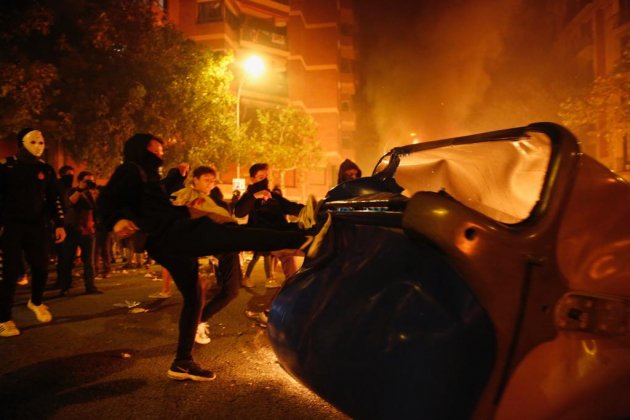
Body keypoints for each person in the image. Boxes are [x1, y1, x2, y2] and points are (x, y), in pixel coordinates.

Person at [98, 133, 329, 381]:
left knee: (196, 294)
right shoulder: (131, 169)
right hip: (174, 235)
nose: (161, 153)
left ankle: (182, 362)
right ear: (143, 149)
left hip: (168, 240)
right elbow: (104, 202)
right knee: (237, 236)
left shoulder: (149, 176)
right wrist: (117, 220)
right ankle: (303, 239)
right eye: (157, 149)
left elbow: (157, 205)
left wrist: (184, 190)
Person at [0, 128, 66, 338]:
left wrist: (59, 223)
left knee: (42, 267)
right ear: (22, 143)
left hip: (37, 226)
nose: (39, 146)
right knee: (9, 274)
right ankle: (4, 319)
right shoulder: (7, 166)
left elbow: (54, 198)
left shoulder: (45, 170)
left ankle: (36, 301)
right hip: (11, 226)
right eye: (33, 141)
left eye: (41, 142)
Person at [234, 163, 306, 288]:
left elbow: (291, 207)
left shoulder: (274, 197)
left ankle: (281, 303)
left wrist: (310, 209)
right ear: (252, 179)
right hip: (268, 238)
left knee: (293, 280)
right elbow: (239, 212)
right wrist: (255, 196)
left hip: (283, 237)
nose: (265, 180)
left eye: (266, 176)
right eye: (261, 177)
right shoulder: (249, 197)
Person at [57, 170, 102, 296]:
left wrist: (93, 192)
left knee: (89, 261)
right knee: (67, 260)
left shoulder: (93, 192)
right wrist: (81, 190)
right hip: (72, 230)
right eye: (87, 181)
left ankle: (90, 286)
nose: (90, 183)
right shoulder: (72, 191)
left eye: (92, 180)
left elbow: (97, 207)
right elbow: (70, 202)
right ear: (80, 181)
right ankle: (65, 287)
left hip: (88, 230)